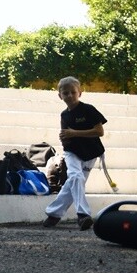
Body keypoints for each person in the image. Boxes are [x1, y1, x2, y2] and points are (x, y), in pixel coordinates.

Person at [42, 76, 107, 231]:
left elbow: (99, 131)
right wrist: (66, 136)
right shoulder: (64, 115)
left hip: (91, 152)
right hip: (72, 152)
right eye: (65, 93)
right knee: (76, 177)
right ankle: (83, 215)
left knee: (73, 182)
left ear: (80, 93)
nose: (70, 95)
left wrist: (75, 133)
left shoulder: (88, 109)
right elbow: (66, 135)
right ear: (60, 96)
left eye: (73, 92)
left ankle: (54, 214)